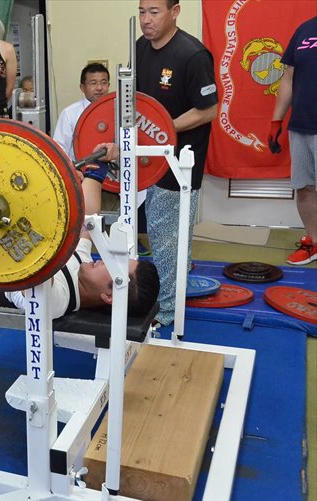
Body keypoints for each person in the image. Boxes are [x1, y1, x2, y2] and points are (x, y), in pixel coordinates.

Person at [0, 143, 160, 351]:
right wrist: (98, 169)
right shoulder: (83, 264)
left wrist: (56, 191)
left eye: (115, 266)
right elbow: (88, 219)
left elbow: (36, 264)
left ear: (109, 296)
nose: (106, 259)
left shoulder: (58, 301)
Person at [136, 0, 218, 326]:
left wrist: (165, 128)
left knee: (167, 237)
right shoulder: (141, 47)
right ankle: (171, 293)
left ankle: (168, 312)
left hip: (181, 161)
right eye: (142, 11)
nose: (146, 19)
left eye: (154, 12)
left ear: (175, 12)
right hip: (149, 157)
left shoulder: (192, 55)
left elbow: (209, 110)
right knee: (163, 234)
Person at [268, 16, 317, 265]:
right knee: (305, 187)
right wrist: (276, 120)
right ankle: (315, 241)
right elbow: (288, 76)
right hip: (301, 125)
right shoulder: (305, 30)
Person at [53, 63, 110, 161]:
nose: (99, 88)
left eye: (103, 83)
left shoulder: (118, 111)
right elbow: (59, 150)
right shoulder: (69, 114)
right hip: (79, 168)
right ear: (82, 88)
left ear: (108, 85)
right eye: (93, 83)